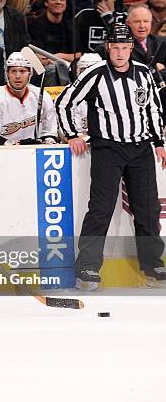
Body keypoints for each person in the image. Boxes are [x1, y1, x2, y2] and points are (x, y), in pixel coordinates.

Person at [55, 24, 165, 291]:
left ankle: (153, 263)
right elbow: (65, 102)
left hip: (141, 149)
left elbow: (153, 108)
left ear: (131, 48)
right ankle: (88, 266)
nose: (119, 52)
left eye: (124, 47)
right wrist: (72, 134)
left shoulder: (144, 74)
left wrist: (159, 142)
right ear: (108, 48)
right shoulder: (95, 74)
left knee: (148, 208)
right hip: (108, 148)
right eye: (115, 47)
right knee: (101, 208)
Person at [0, 52, 59, 144]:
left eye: (22, 71)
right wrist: (18, 144)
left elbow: (50, 131)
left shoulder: (42, 96)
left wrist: (47, 141)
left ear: (30, 74)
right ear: (7, 74)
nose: (18, 76)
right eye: (13, 71)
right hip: (4, 153)